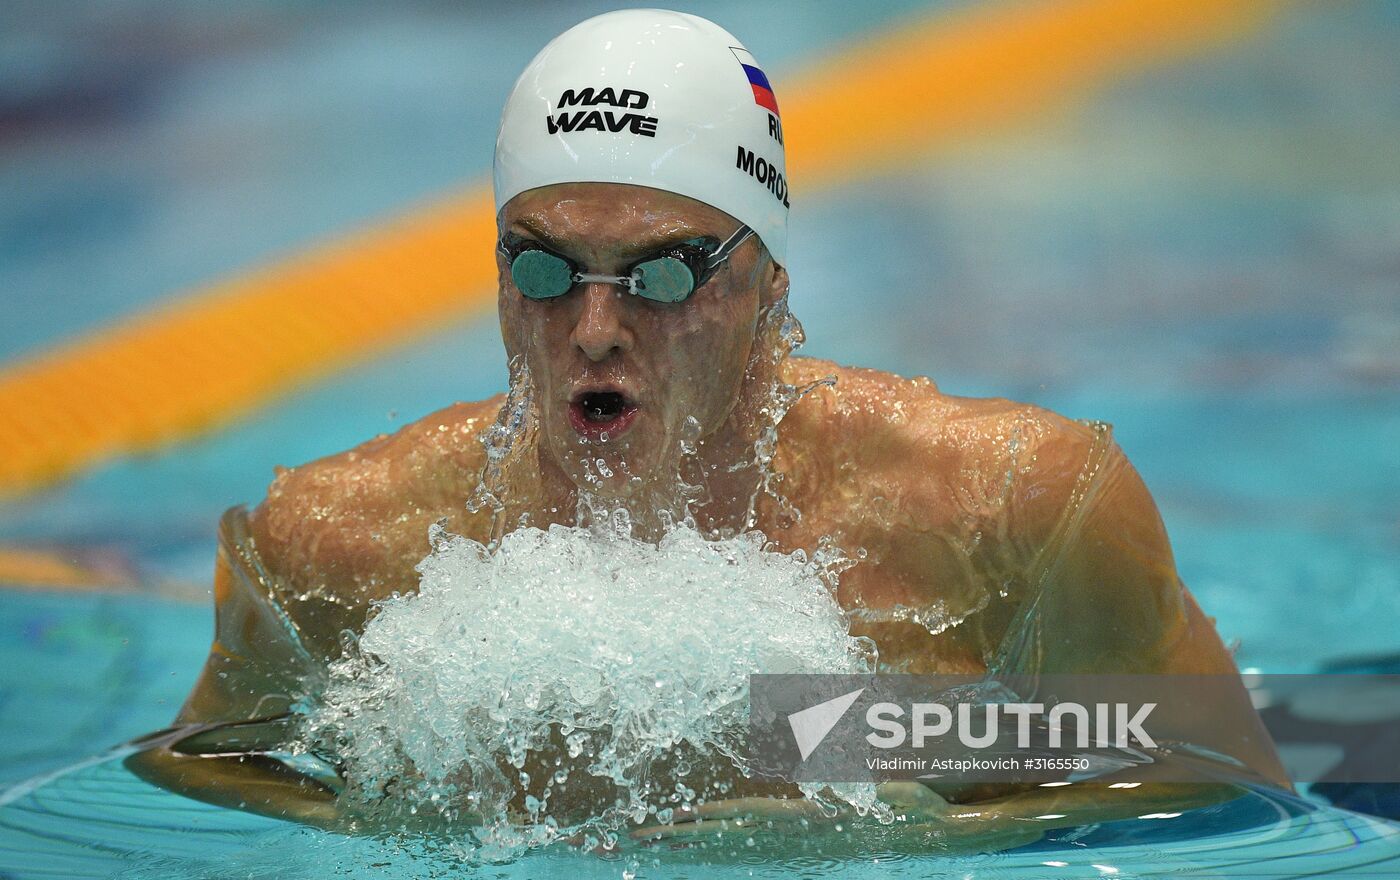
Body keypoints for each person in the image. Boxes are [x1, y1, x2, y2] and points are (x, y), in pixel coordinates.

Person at [128, 9, 1289, 845]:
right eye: (539, 265)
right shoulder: (330, 545)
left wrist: (874, 786)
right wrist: (415, 797)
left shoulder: (1017, 506)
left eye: (663, 275)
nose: (591, 327)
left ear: (766, 279)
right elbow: (188, 798)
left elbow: (1222, 789)